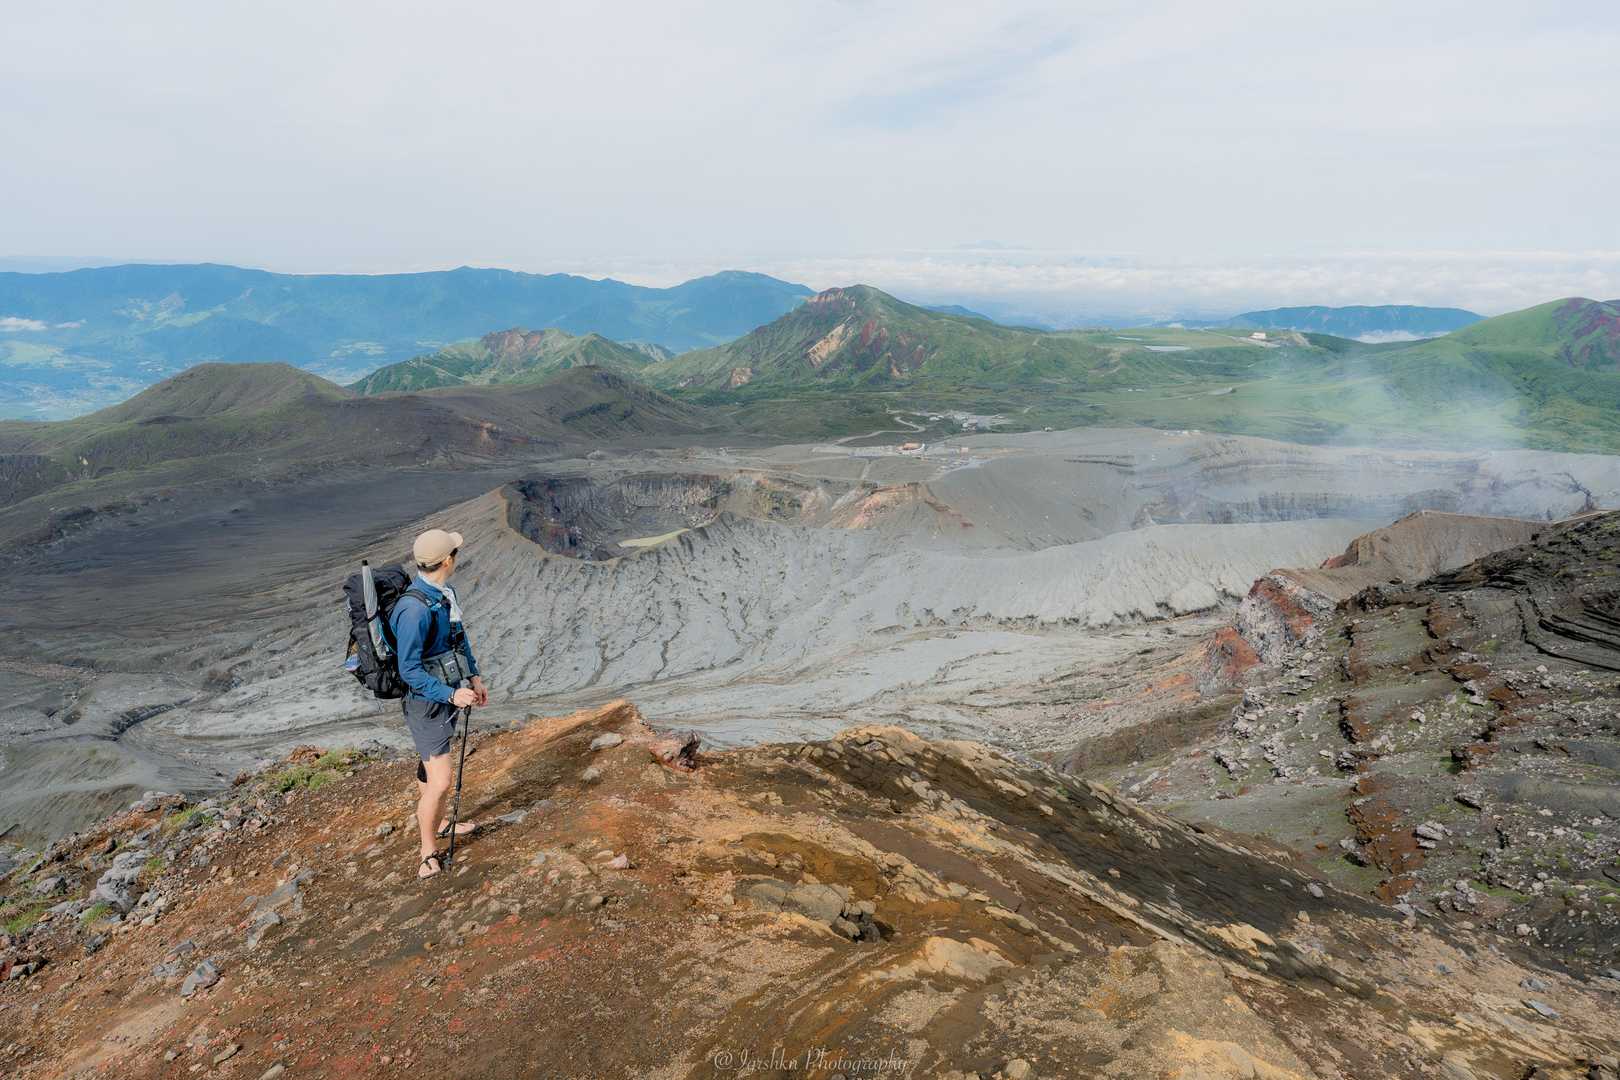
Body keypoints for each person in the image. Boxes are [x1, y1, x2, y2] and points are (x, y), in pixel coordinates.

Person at [391, 528, 489, 879]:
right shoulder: (413, 610)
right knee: (442, 781)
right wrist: (450, 695)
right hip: (426, 705)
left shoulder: (444, 594)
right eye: (455, 553)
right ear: (447, 560)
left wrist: (473, 676)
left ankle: (441, 821)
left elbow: (458, 639)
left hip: (446, 693)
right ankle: (427, 852)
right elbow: (409, 670)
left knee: (431, 769)